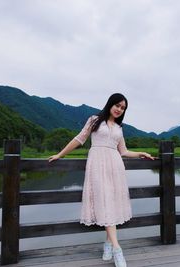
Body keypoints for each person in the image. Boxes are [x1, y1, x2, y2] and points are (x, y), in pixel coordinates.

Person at [48, 93, 154, 267]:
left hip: (115, 166)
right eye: (118, 105)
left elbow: (124, 151)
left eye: (123, 108)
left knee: (110, 203)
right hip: (97, 165)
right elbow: (79, 139)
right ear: (110, 104)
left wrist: (141, 153)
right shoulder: (94, 120)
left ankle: (108, 244)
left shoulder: (119, 128)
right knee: (103, 201)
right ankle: (118, 249)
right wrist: (60, 154)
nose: (119, 109)